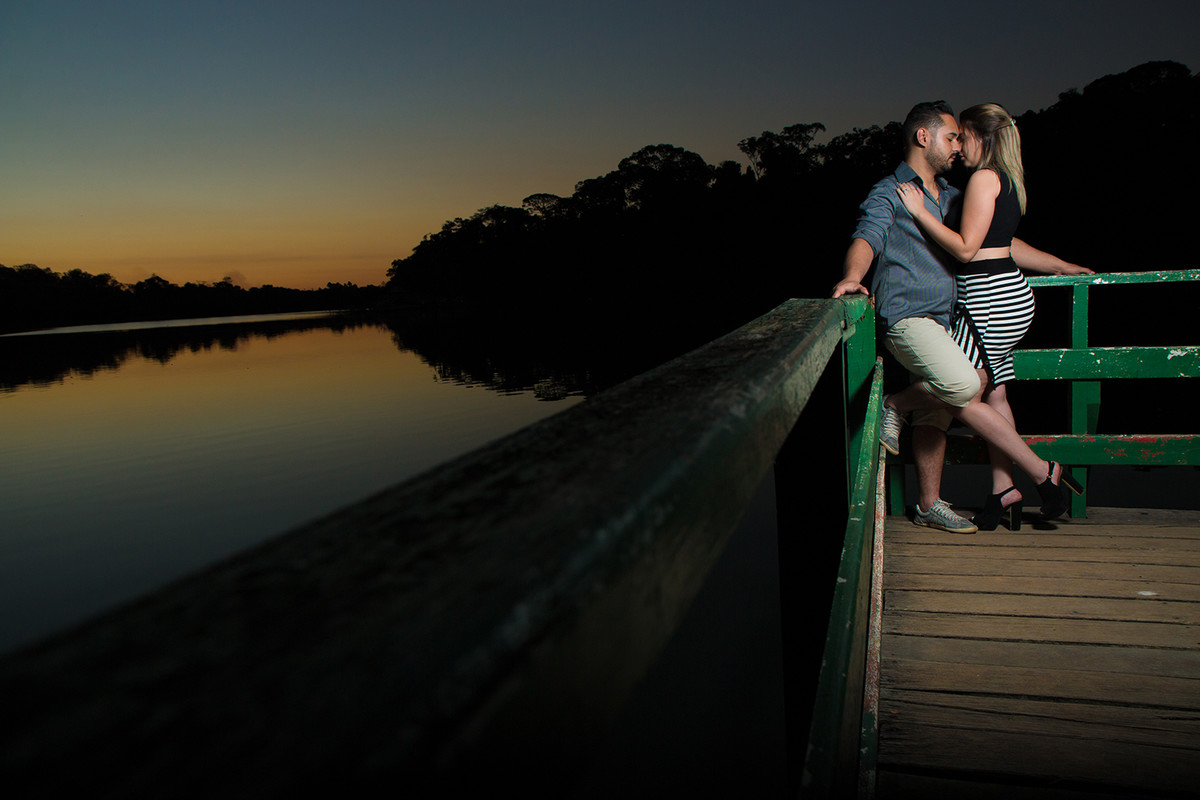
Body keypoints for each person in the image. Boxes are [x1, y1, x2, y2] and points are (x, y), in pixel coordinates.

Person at [832, 101, 1079, 533]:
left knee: (939, 410)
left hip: (951, 319)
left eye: (961, 137)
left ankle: (929, 504)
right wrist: (853, 276)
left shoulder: (951, 195)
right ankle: (1039, 471)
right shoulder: (890, 192)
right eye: (951, 137)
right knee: (965, 385)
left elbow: (995, 243)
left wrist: (1061, 266)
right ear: (922, 137)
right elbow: (866, 238)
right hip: (908, 317)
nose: (957, 146)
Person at [896, 103, 1092, 529]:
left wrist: (919, 212)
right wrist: (1061, 265)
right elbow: (1002, 244)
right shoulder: (1009, 180)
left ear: (980, 136)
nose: (958, 146)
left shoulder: (984, 178)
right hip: (1006, 297)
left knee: (960, 393)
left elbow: (967, 249)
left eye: (961, 136)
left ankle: (1044, 472)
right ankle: (1003, 490)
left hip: (988, 301)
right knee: (995, 395)